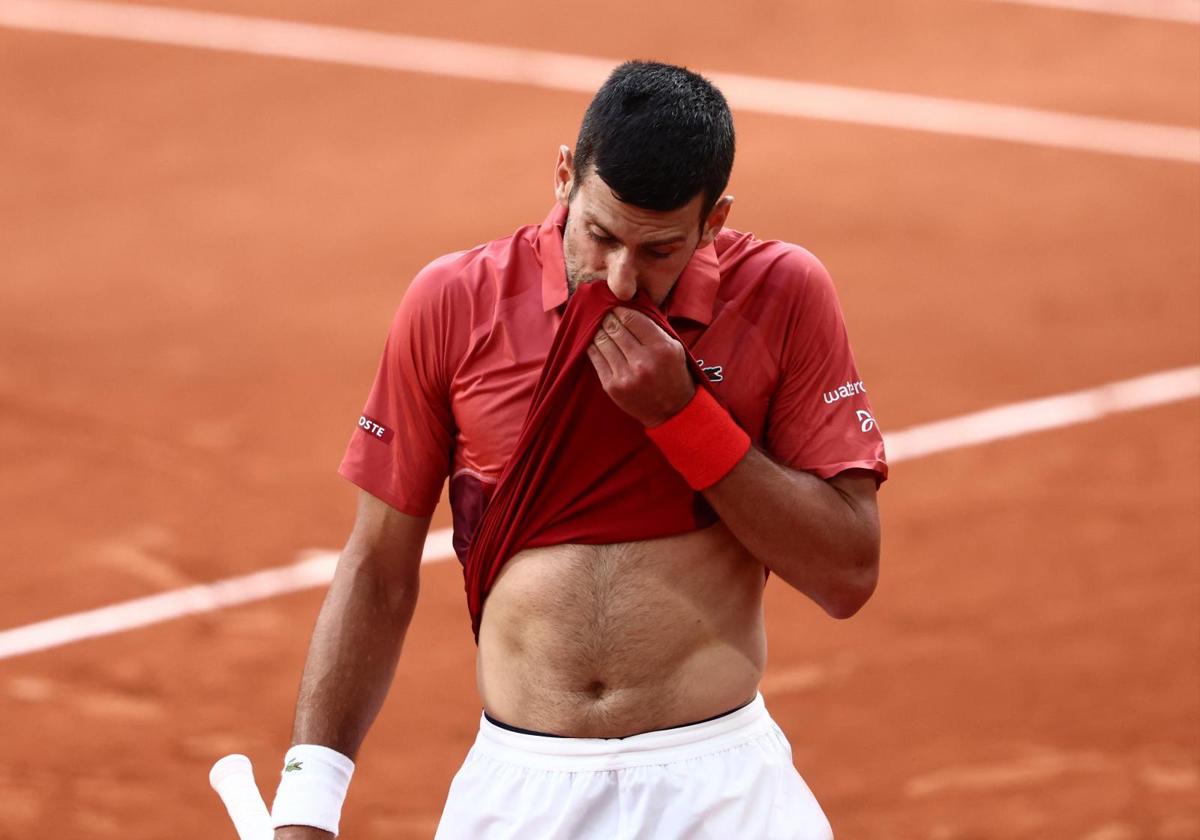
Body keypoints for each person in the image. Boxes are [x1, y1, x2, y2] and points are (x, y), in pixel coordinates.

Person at [271, 61, 886, 840]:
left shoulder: (782, 293)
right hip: (523, 794)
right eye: (600, 235)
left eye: (660, 251)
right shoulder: (454, 303)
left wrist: (684, 416)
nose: (623, 279)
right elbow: (377, 570)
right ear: (565, 176)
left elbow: (848, 572)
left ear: (715, 220)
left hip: (720, 789)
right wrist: (305, 806)